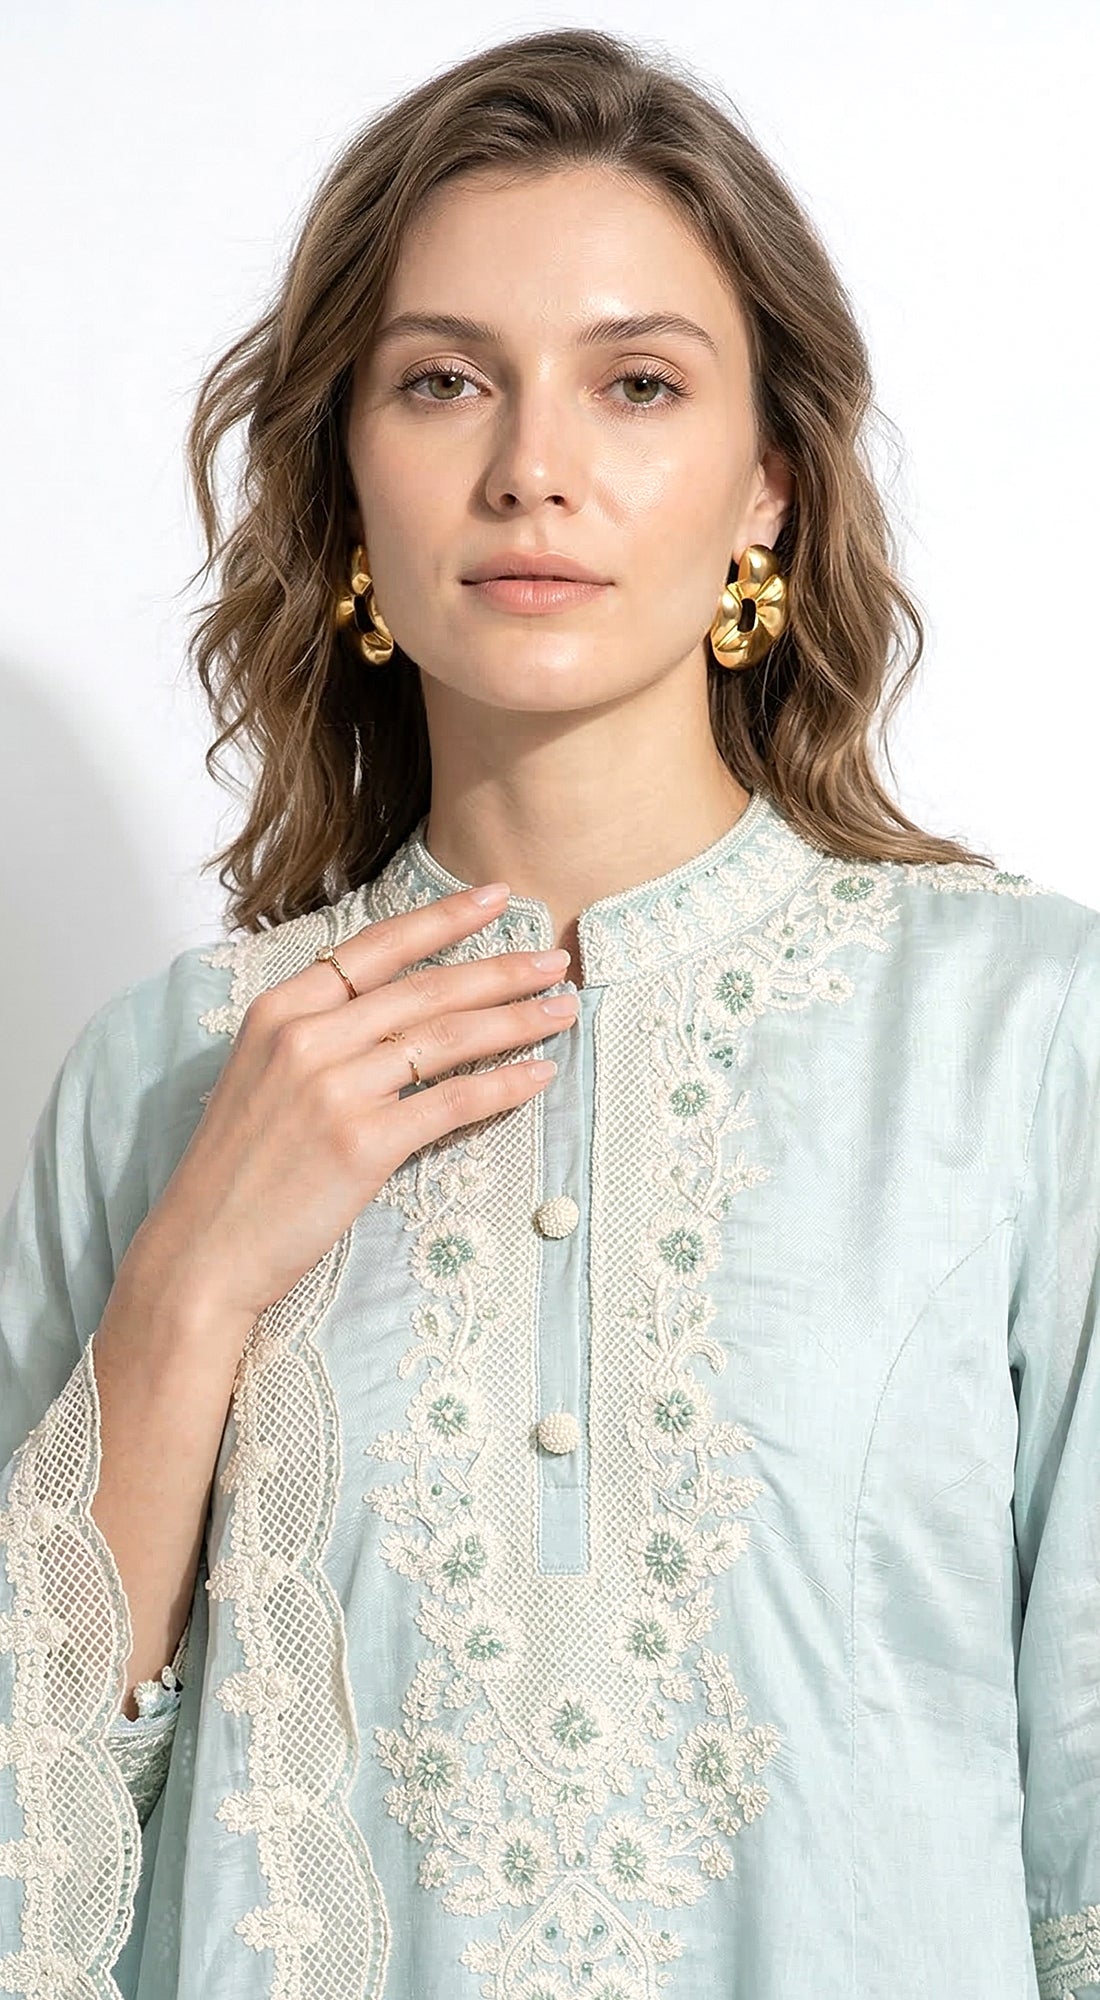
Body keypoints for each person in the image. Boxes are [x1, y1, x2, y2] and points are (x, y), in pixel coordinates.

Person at [0, 25, 1096, 2000]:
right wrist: (185, 1291)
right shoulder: (165, 1079)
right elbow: (31, 1889)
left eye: (637, 383)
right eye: (442, 381)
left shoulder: (1021, 1042)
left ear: (767, 488)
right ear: (347, 484)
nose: (531, 466)